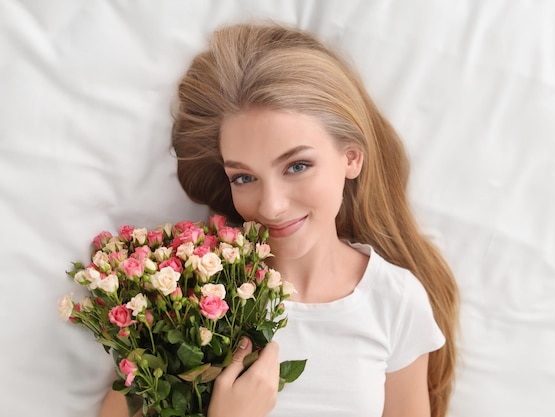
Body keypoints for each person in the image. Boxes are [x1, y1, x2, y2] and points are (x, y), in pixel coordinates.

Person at [100, 22, 459, 417]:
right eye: (244, 177)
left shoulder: (395, 301)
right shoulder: (190, 297)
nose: (270, 206)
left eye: (297, 165)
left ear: (351, 158)